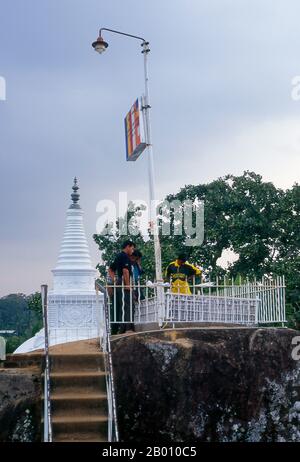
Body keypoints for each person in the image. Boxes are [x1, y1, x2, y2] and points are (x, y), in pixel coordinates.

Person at [109, 240, 136, 334]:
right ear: (128, 246)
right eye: (132, 248)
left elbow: (111, 270)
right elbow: (125, 271)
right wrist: (128, 285)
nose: (132, 250)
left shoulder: (118, 256)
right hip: (124, 282)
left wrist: (115, 280)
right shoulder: (124, 256)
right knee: (128, 305)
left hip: (120, 283)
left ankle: (117, 329)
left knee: (120, 306)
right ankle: (128, 329)